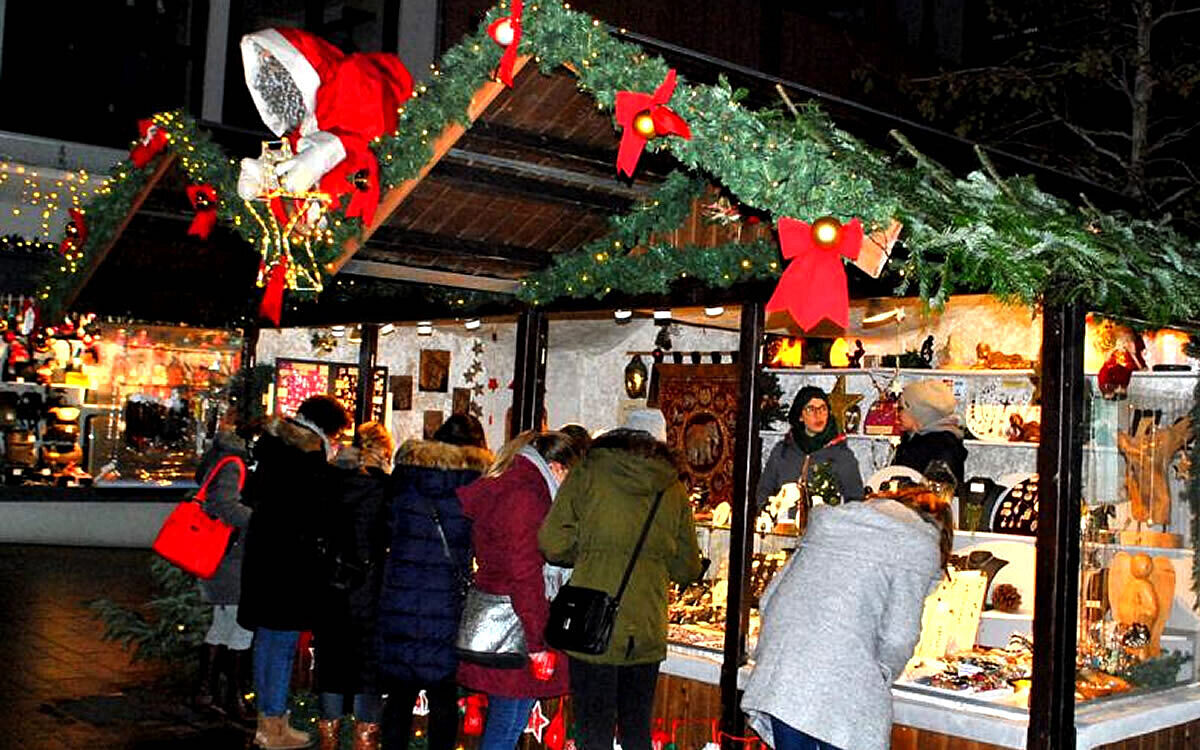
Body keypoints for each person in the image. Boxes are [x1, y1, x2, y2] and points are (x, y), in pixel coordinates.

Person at [538, 411, 704, 750]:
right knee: (636, 730)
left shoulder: (588, 471)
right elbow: (688, 567)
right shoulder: (671, 486)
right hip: (646, 625)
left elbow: (552, 543)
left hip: (592, 621)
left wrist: (589, 554)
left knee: (592, 730)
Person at [741, 488, 952, 750]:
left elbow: (769, 598)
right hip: (843, 685)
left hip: (783, 678)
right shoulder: (917, 547)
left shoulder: (831, 524)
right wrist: (878, 674)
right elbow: (900, 636)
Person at [457, 431, 584, 750]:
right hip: (517, 622)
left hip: (507, 615)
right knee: (507, 723)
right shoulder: (528, 495)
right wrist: (537, 642)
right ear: (556, 467)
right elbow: (525, 574)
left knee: (508, 719)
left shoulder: (513, 483)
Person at [239, 395, 350, 750]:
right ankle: (274, 725)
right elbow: (319, 514)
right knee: (282, 644)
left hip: (264, 560)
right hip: (290, 565)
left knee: (267, 641)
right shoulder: (309, 457)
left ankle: (267, 722)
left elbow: (252, 497)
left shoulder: (272, 448)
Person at [378, 414, 493, 750]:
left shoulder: (407, 474)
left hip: (401, 592)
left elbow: (386, 526)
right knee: (443, 692)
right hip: (446, 598)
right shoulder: (476, 482)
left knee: (399, 693)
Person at [313, 421, 394, 750]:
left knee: (331, 663)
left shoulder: (328, 483)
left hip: (331, 585)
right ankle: (365, 739)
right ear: (383, 452)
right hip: (372, 587)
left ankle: (329, 738)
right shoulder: (385, 488)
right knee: (368, 668)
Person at [193, 416, 258, 725]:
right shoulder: (233, 463)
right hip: (230, 558)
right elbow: (225, 506)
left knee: (221, 625)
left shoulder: (221, 457)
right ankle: (233, 698)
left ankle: (205, 692)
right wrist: (261, 520)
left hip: (220, 557)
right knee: (240, 626)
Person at [756, 386, 865, 512]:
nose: (818, 414)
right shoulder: (782, 451)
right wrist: (769, 513)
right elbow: (764, 491)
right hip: (783, 527)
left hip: (824, 528)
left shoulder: (841, 455)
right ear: (800, 416)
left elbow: (855, 502)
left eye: (822, 408)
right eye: (810, 409)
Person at [892, 379, 968, 489]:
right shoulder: (915, 439)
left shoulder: (943, 446)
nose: (898, 414)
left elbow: (935, 497)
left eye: (901, 408)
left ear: (919, 412)